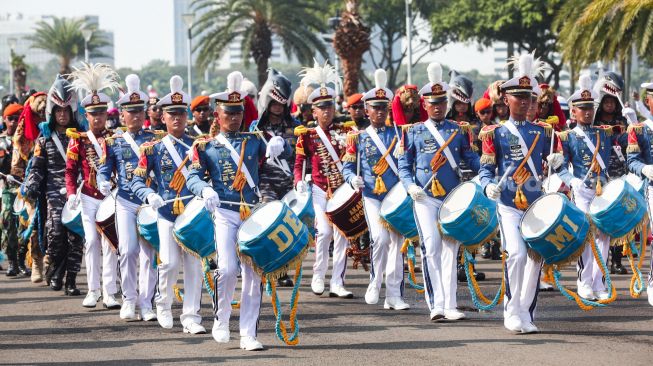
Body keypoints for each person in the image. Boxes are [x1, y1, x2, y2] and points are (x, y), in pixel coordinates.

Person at [187, 71, 289, 351]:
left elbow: (278, 150)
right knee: (228, 269)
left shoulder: (254, 139)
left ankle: (248, 333)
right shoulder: (205, 146)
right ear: (217, 116)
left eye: (238, 113)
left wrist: (281, 145)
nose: (234, 119)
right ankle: (221, 320)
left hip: (252, 212)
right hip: (225, 212)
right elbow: (192, 176)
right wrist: (204, 190)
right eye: (228, 114)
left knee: (253, 277)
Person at [478, 52, 563, 334]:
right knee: (515, 254)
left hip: (535, 203)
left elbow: (556, 160)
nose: (525, 101)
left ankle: (526, 312)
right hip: (508, 204)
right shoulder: (495, 133)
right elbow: (486, 169)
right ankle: (511, 310)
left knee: (535, 260)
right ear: (506, 100)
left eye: (528, 96)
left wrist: (557, 165)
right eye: (518, 96)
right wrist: (486, 184)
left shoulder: (542, 132)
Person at [397, 62, 480, 321]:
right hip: (424, 197)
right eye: (433, 102)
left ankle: (451, 304)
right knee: (431, 246)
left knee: (450, 250)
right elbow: (404, 163)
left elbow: (471, 160)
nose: (437, 107)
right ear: (424, 104)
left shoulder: (458, 130)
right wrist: (409, 186)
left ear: (447, 103)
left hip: (451, 197)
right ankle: (436, 304)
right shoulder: (413, 131)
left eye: (441, 102)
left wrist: (487, 171)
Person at [130, 75, 205, 335]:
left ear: (187, 117)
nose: (177, 119)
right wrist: (149, 195)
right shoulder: (152, 149)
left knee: (195, 267)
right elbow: (136, 181)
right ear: (162, 118)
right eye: (171, 114)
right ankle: (163, 303)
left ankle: (191, 316)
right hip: (166, 213)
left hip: (193, 215)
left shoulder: (198, 146)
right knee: (170, 264)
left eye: (181, 114)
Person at [342, 69, 408, 310]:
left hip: (396, 197)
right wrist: (352, 180)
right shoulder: (357, 137)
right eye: (375, 108)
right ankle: (374, 282)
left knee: (397, 245)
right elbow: (347, 168)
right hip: (372, 196)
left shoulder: (400, 135)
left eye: (383, 107)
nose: (380, 112)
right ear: (367, 110)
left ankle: (394, 294)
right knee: (380, 240)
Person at [98, 74, 161, 321]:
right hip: (124, 200)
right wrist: (103, 180)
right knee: (127, 250)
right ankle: (129, 299)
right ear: (122, 115)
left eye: (139, 111)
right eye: (130, 112)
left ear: (144, 114)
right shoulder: (113, 141)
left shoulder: (154, 140)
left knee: (149, 254)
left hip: (148, 203)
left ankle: (146, 303)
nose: (135, 116)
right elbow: (105, 168)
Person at [294, 60, 356, 298]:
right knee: (324, 233)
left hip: (342, 191)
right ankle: (318, 275)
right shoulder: (307, 135)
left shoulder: (346, 131)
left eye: (329, 107)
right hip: (320, 190)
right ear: (314, 111)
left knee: (342, 235)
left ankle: (337, 282)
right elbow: (299, 163)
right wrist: (299, 180)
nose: (327, 111)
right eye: (322, 108)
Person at [22, 75, 85, 295]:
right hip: (53, 191)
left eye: (65, 110)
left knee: (76, 237)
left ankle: (71, 281)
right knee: (56, 232)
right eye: (58, 110)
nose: (62, 114)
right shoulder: (44, 139)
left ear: (72, 111)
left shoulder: (81, 137)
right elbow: (37, 168)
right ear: (52, 112)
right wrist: (31, 185)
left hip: (77, 192)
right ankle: (55, 272)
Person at [65, 63, 121, 304]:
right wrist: (70, 194)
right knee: (91, 242)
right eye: (93, 113)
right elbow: (70, 170)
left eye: (101, 113)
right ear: (86, 116)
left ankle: (109, 292)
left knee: (110, 245)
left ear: (106, 114)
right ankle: (93, 290)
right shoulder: (78, 140)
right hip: (88, 196)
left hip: (110, 197)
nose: (97, 118)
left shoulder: (116, 138)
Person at [557, 74, 612, 301]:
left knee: (604, 236)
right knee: (587, 235)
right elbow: (560, 168)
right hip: (581, 190)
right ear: (574, 111)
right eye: (582, 108)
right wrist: (572, 181)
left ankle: (600, 281)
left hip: (603, 189)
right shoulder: (567, 136)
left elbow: (614, 162)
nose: (587, 112)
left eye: (590, 108)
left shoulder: (604, 133)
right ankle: (584, 280)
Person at [252, 68, 298, 287]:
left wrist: (287, 148)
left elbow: (300, 156)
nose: (278, 107)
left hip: (288, 184)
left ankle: (282, 270)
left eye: (281, 103)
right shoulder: (256, 129)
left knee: (286, 227)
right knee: (268, 224)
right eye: (274, 103)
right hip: (266, 183)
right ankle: (267, 267)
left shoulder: (295, 127)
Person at [594, 71, 629, 275]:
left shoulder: (623, 121)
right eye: (606, 102)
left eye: (612, 102)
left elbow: (627, 146)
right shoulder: (595, 123)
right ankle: (599, 260)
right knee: (601, 221)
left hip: (619, 173)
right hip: (600, 175)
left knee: (618, 219)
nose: (609, 105)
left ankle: (617, 260)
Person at [10, 92, 47, 283]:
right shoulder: (22, 132)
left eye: (44, 112)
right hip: (31, 184)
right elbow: (17, 163)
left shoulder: (55, 126)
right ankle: (37, 264)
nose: (41, 116)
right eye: (38, 113)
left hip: (54, 182)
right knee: (35, 224)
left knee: (57, 227)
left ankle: (52, 262)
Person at [626, 80, 653, 307]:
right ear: (648, 101)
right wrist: (645, 168)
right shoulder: (639, 130)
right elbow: (632, 161)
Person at [1, 103, 30, 277]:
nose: (13, 122)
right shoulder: (1, 141)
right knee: (7, 223)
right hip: (7, 188)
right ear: (4, 119)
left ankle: (21, 261)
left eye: (17, 118)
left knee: (24, 225)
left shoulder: (26, 141)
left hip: (24, 188)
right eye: (10, 118)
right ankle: (11, 261)